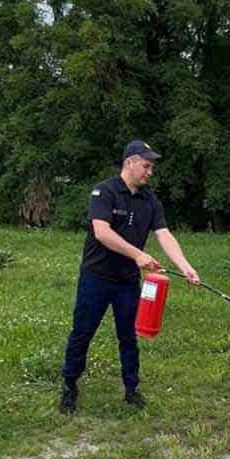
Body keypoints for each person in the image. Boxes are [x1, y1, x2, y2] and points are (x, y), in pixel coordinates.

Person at [60, 139, 201, 413]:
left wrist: (185, 266)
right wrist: (138, 255)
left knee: (129, 336)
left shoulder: (150, 200)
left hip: (127, 282)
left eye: (151, 167)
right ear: (130, 163)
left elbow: (164, 234)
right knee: (82, 333)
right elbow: (102, 232)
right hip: (96, 278)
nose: (150, 172)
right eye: (146, 166)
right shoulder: (105, 192)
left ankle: (131, 389)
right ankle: (69, 386)